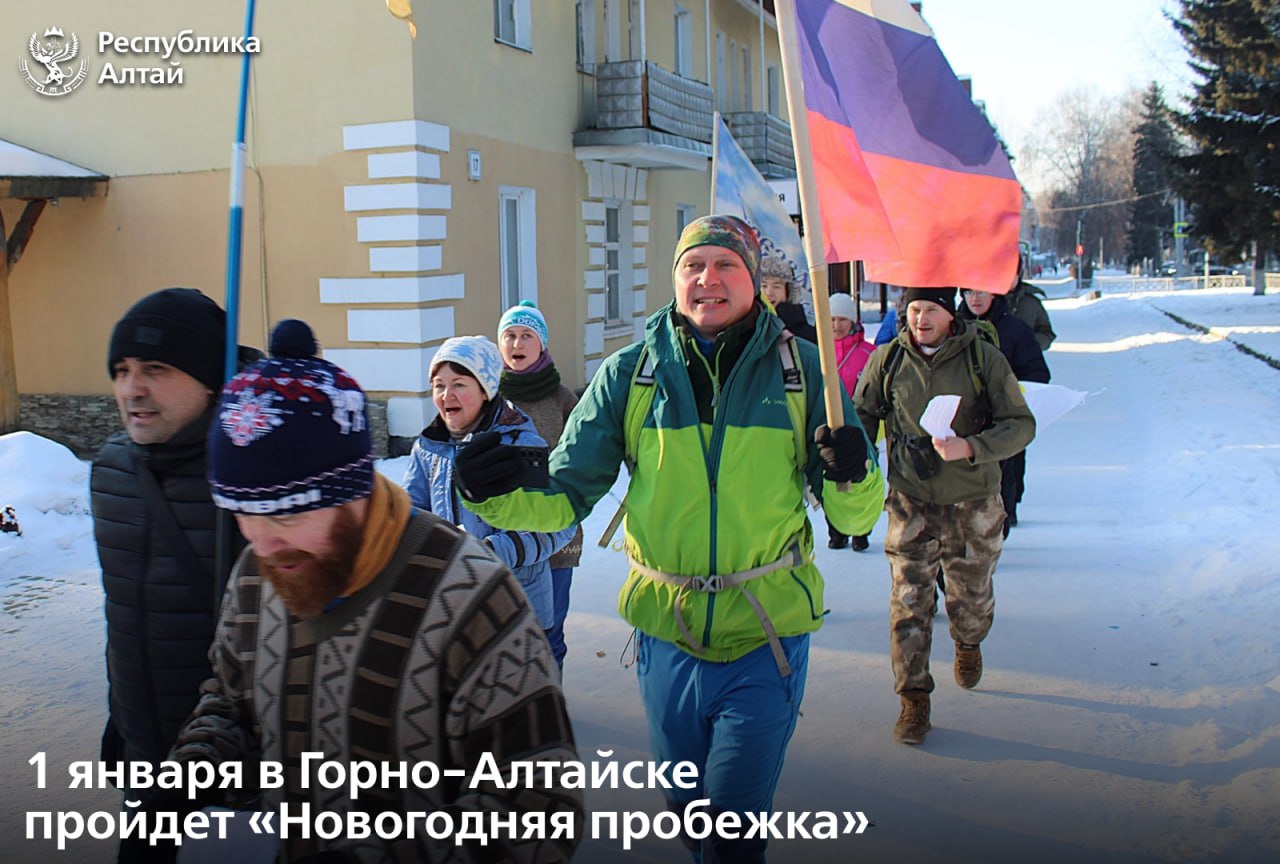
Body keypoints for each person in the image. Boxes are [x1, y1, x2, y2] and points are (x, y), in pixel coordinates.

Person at [455, 215, 884, 863]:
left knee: (730, 837)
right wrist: (490, 490)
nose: (708, 278)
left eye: (726, 265)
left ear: (752, 278)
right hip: (666, 639)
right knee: (691, 823)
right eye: (693, 265)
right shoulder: (632, 373)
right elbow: (566, 495)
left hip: (765, 637)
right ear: (675, 278)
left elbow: (853, 519)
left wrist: (853, 474)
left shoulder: (803, 372)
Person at [167, 319, 582, 863]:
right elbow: (234, 697)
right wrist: (197, 764)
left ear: (350, 493)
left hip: (523, 592)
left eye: (289, 514)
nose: (264, 544)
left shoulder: (471, 599)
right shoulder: (257, 574)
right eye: (246, 513)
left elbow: (537, 810)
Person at [91, 287, 252, 864]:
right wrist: (124, 721)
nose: (132, 388)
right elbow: (126, 614)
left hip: (242, 779)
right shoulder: (110, 471)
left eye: (156, 369)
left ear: (210, 380)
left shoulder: (252, 481)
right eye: (122, 369)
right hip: (145, 762)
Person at [853, 288, 1034, 746]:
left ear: (948, 314)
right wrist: (850, 451)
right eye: (913, 310)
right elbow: (862, 415)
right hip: (910, 501)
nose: (920, 319)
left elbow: (1021, 423)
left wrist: (971, 446)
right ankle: (913, 700)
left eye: (930, 309)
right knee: (908, 603)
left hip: (972, 500)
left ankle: (968, 640)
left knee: (969, 597)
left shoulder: (983, 358)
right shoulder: (889, 359)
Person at [402, 334, 575, 654]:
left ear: (485, 389)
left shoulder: (521, 444)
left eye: (459, 384)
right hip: (451, 605)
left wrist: (495, 551)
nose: (445, 395)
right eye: (439, 385)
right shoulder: (428, 447)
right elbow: (409, 514)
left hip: (518, 607)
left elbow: (561, 526)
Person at [496, 301, 583, 669]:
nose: (517, 343)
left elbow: (583, 456)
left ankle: (550, 707)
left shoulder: (563, 398)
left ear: (542, 345)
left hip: (554, 535)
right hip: (501, 536)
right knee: (503, 631)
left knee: (550, 632)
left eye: (527, 335)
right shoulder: (487, 395)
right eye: (510, 335)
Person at [958, 288, 1051, 536]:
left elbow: (1038, 373)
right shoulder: (952, 328)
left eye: (981, 292)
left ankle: (998, 528)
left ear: (994, 295)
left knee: (1004, 478)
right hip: (962, 425)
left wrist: (1011, 393)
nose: (974, 299)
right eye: (968, 292)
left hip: (1002, 424)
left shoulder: (1015, 330)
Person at [826, 291, 876, 552]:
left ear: (853, 320)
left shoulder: (869, 352)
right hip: (829, 426)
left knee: (861, 480)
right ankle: (836, 530)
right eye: (832, 319)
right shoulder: (819, 350)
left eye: (842, 319)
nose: (836, 326)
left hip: (861, 427)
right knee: (832, 481)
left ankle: (861, 530)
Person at [758, 255, 816, 343]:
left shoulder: (806, 334)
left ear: (788, 291)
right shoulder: (747, 327)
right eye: (764, 286)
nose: (768, 293)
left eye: (776, 287)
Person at [1006, 257, 1056, 351]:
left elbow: (1047, 335)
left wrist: (1028, 342)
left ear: (1018, 274)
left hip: (1023, 362)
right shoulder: (984, 300)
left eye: (1010, 274)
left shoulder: (1032, 303)